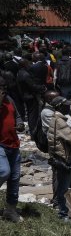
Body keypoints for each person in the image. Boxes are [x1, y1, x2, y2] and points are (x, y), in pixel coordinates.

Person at [41, 96, 71, 220]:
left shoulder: (58, 119)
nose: (68, 107)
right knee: (64, 188)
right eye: (66, 105)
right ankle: (63, 213)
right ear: (59, 106)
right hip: (63, 159)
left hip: (67, 158)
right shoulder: (58, 121)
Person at [0, 78, 24, 222]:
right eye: (1, 87)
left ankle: (10, 209)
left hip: (13, 144)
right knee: (4, 171)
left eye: (4, 86)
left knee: (14, 178)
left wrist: (20, 125)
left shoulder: (9, 100)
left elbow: (18, 116)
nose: (3, 89)